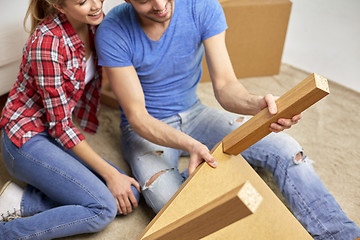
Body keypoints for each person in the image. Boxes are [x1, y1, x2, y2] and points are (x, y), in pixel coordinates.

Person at [95, 0, 360, 239]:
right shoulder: (113, 29)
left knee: (287, 149)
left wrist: (257, 105)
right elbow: (138, 116)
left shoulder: (202, 6)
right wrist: (191, 145)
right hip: (146, 129)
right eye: (144, 0)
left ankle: (341, 235)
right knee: (169, 201)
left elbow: (225, 87)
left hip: (196, 113)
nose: (160, 5)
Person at [0, 0, 141, 239]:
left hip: (57, 132)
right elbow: (62, 127)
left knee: (129, 193)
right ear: (61, 7)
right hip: (26, 139)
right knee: (103, 208)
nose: (96, 5)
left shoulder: (96, 24)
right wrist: (111, 174)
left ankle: (25, 201)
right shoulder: (47, 43)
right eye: (83, 1)